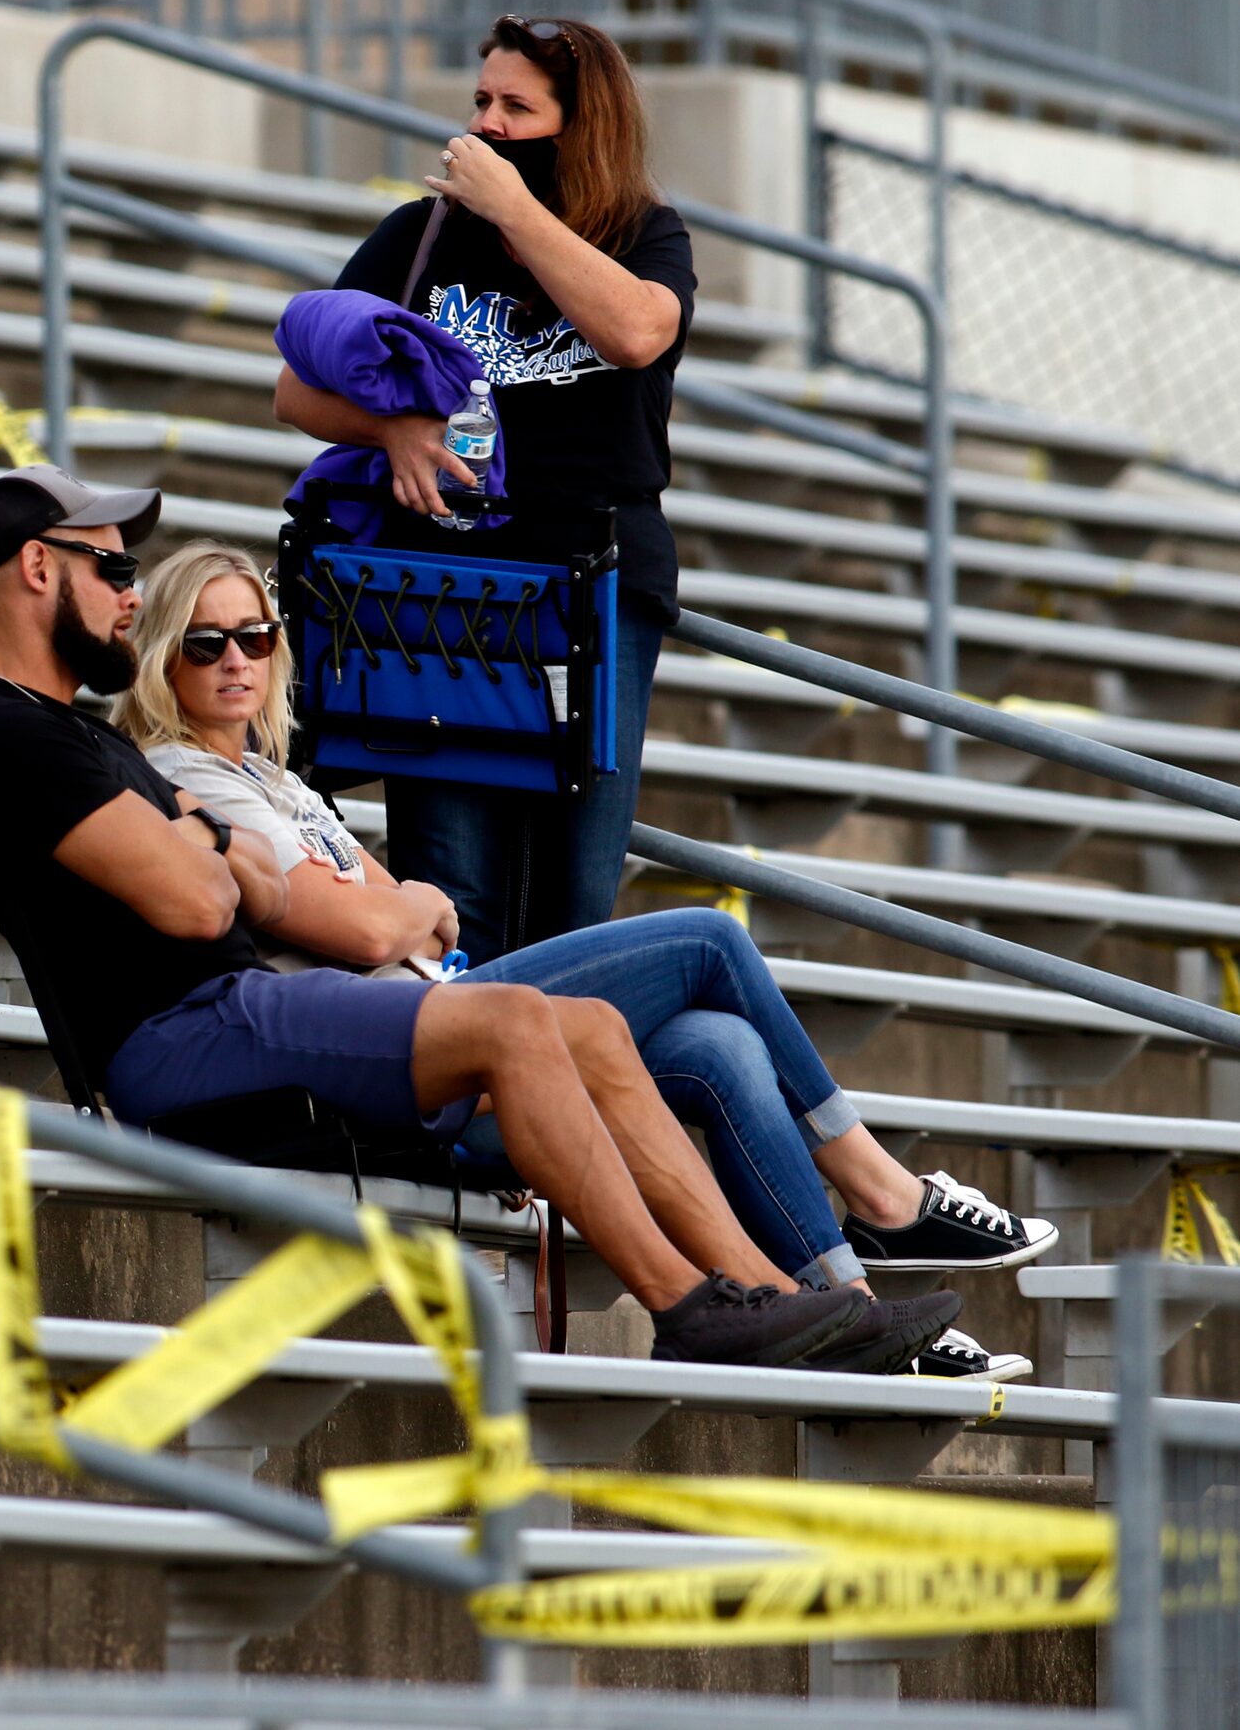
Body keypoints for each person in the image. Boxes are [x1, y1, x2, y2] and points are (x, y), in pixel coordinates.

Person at [0, 468, 953, 1373]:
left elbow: (230, 863)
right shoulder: (1, 742)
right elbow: (202, 900)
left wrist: (200, 843)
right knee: (518, 1018)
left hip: (234, 1014)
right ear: (35, 569)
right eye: (113, 569)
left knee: (589, 1029)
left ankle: (767, 1298)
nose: (129, 594)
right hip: (175, 1042)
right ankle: (685, 1308)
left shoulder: (77, 743)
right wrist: (199, 842)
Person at [117, 543, 1057, 1380]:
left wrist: (404, 909)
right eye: (207, 644)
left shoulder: (274, 780)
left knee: (717, 1045)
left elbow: (413, 917)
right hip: (393, 1059)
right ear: (161, 656)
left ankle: (844, 1308)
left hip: (438, 1014)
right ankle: (884, 1194)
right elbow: (371, 930)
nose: (237, 659)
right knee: (707, 939)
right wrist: (404, 909)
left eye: (256, 635)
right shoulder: (183, 779)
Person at [281, 14, 690, 964]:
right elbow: (294, 389)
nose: (488, 125)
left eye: (517, 106)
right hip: (444, 593)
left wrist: (515, 210)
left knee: (576, 902)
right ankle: (465, 1098)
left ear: (582, 127)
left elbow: (635, 333)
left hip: (592, 587)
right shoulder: (423, 236)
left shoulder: (643, 234)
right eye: (480, 101)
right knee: (455, 889)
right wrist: (393, 428)